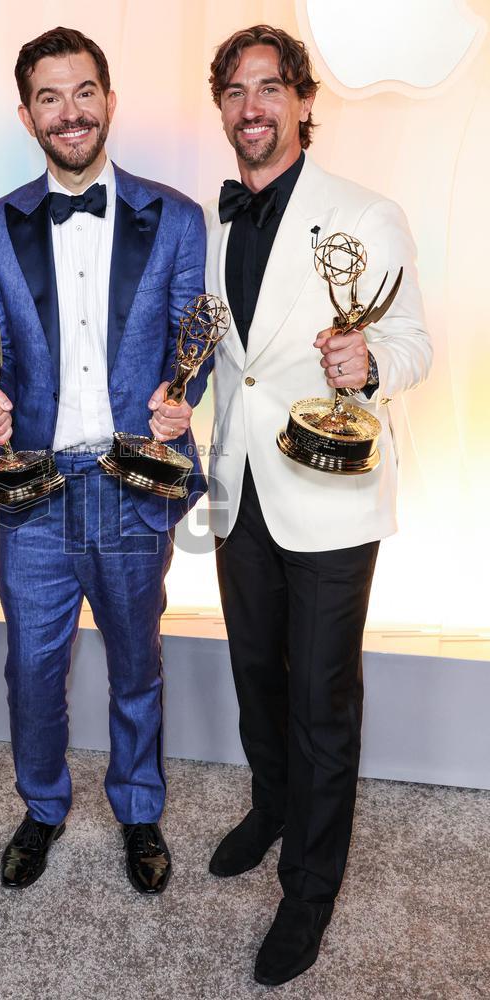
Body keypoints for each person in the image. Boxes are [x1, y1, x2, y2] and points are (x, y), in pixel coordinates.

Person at [204, 24, 431, 986]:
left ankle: (309, 889)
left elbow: (414, 342)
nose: (251, 107)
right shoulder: (213, 225)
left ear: (302, 100)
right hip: (238, 491)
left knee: (321, 698)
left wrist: (369, 363)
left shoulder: (366, 213)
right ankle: (272, 804)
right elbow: (231, 363)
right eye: (234, 91)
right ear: (221, 108)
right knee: (256, 673)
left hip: (331, 492)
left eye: (269, 87)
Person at [0, 26, 208, 895]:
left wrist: (183, 396)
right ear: (26, 113)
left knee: (137, 662)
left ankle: (139, 808)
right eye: (48, 97)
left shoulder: (175, 217)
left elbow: (190, 338)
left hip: (130, 480)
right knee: (31, 670)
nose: (68, 113)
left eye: (82, 92)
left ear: (108, 99)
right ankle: (42, 807)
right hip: (33, 488)